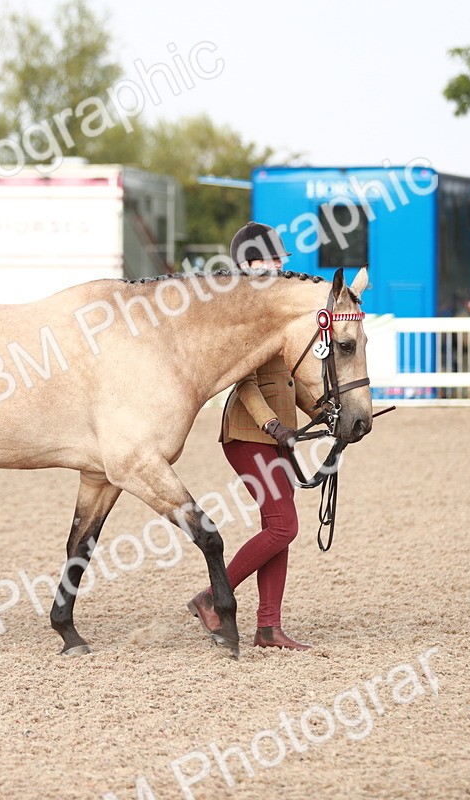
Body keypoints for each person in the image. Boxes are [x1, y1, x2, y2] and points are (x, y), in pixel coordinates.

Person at [186, 221, 312, 651]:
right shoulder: (242, 312)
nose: (282, 266)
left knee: (279, 526)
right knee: (283, 525)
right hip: (247, 433)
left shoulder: (276, 305)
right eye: (276, 259)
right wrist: (271, 425)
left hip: (275, 435)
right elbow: (245, 383)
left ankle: (267, 628)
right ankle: (211, 596)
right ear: (253, 263)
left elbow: (289, 381)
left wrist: (323, 416)